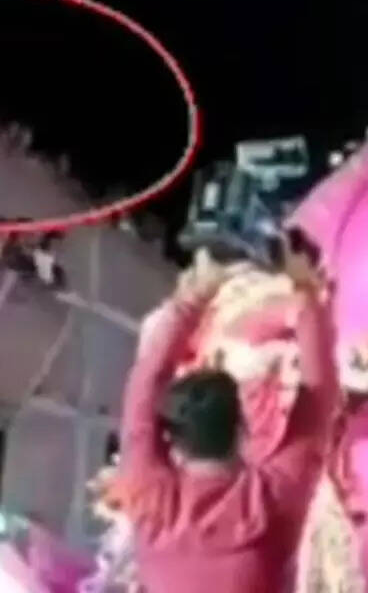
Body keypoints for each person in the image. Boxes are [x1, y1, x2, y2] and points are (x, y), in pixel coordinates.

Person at [114, 235, 338, 593]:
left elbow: (144, 386)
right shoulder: (273, 498)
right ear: (243, 428)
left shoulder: (150, 496)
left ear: (171, 439)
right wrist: (307, 298)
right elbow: (320, 395)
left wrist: (191, 301)